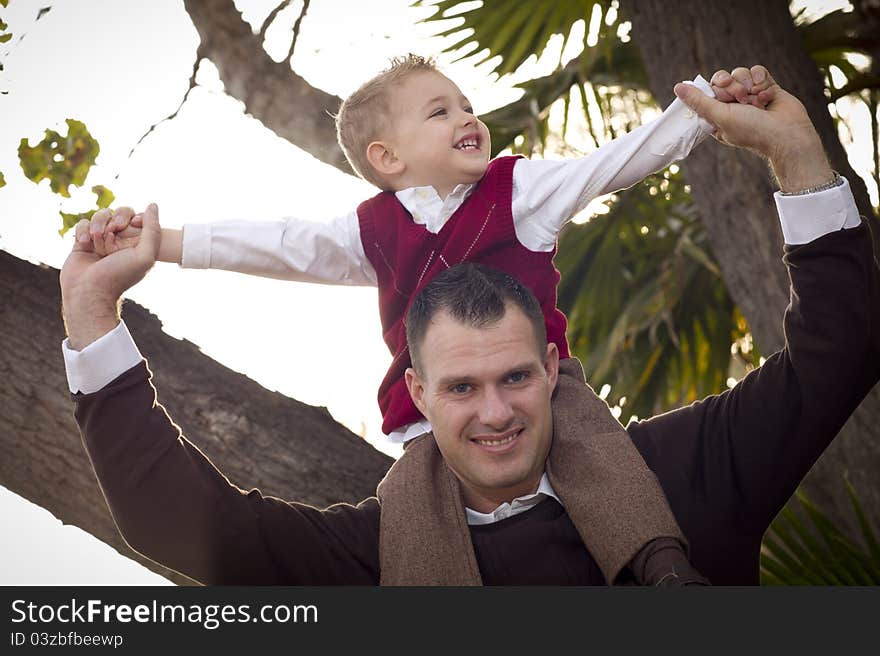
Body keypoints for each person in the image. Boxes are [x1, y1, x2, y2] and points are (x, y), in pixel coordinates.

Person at [61, 66, 877, 585]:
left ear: (548, 368)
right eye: (461, 386)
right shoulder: (378, 551)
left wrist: (712, 117)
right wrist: (148, 257)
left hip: (591, 434)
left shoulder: (520, 192)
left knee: (603, 461)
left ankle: (660, 563)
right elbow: (283, 246)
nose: (492, 410)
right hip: (417, 460)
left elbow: (616, 161)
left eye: (514, 376)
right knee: (419, 498)